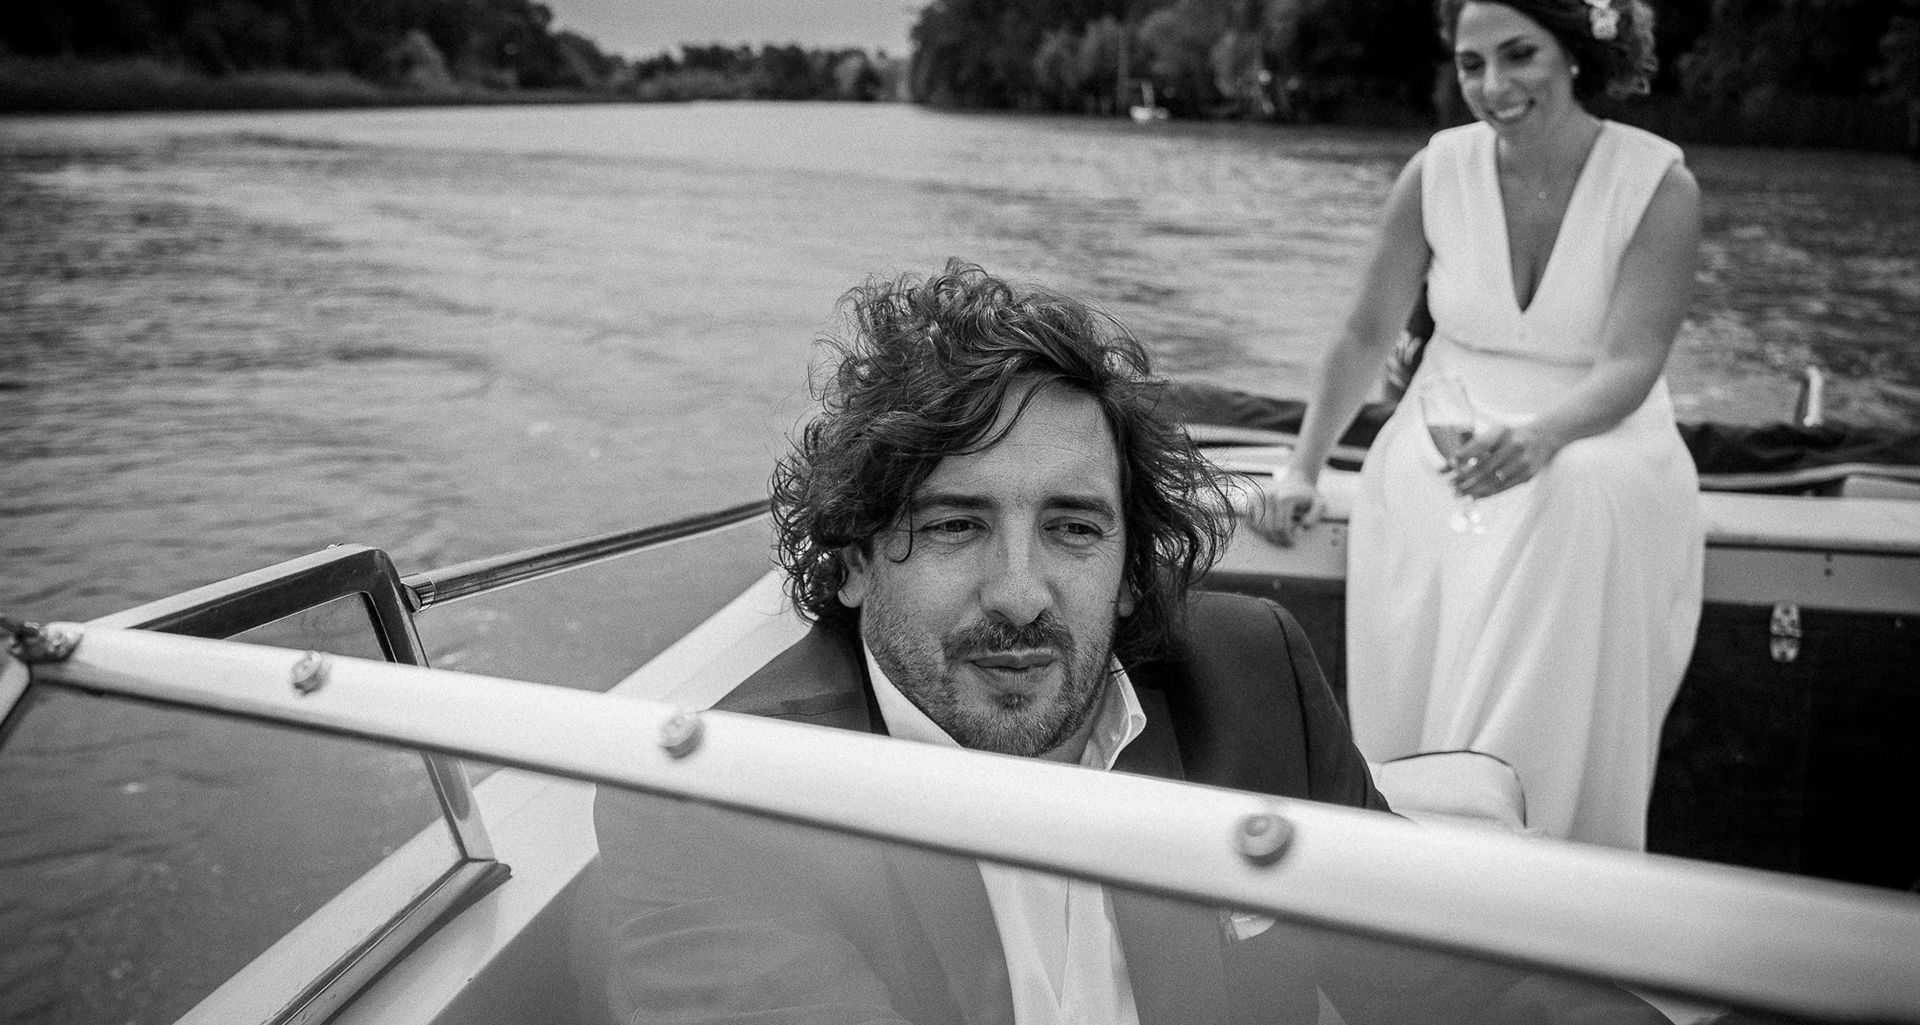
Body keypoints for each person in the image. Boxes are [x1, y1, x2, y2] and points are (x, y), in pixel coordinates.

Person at [589, 259, 1667, 1025]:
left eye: (1073, 527)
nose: (1021, 594)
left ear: (1130, 561)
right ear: (858, 555)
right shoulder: (718, 802)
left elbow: (1475, 985)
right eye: (957, 524)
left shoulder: (1252, 684)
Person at [1246, 0, 1705, 851]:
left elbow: (1633, 362)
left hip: (1598, 427)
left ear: (1575, 50)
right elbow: (1364, 335)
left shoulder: (1660, 184)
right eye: (1471, 63)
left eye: (1519, 54)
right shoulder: (1435, 172)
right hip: (1446, 422)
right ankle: (1427, 822)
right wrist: (1302, 468)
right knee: (1420, 486)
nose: (1494, 86)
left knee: (1577, 496)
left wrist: (1541, 438)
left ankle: (1531, 836)